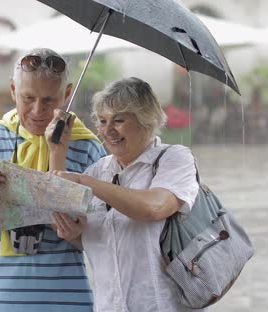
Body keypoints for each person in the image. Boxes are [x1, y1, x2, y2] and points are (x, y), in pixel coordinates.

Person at [0, 48, 107, 311]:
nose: (38, 110)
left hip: (66, 300)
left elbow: (105, 241)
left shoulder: (88, 148)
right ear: (13, 90)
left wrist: (76, 235)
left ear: (67, 94)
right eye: (28, 98)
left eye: (49, 100)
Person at [52, 77, 201, 311]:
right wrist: (57, 152)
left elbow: (154, 208)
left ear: (145, 120)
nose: (108, 130)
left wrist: (85, 182)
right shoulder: (98, 170)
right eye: (102, 121)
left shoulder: (174, 158)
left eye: (118, 120)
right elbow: (99, 241)